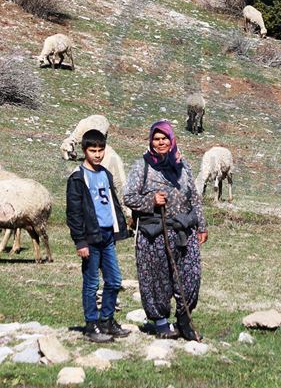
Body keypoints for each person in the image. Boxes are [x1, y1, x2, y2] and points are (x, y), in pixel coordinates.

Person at [123, 120, 207, 340]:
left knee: (190, 276)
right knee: (156, 279)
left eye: (164, 139)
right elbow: (129, 197)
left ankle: (183, 320)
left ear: (172, 140)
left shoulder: (183, 165)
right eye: (156, 139)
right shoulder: (142, 166)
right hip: (154, 233)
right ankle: (160, 323)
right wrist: (151, 200)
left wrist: (201, 225)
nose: (160, 143)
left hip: (183, 231)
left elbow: (194, 197)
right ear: (151, 141)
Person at [66, 129, 132, 342]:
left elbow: (111, 204)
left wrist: (119, 227)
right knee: (92, 283)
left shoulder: (105, 174)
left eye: (100, 150)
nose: (97, 154)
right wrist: (80, 241)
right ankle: (91, 324)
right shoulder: (78, 178)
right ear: (84, 151)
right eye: (92, 150)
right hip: (90, 238)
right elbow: (74, 213)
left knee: (114, 280)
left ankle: (107, 320)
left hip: (107, 235)